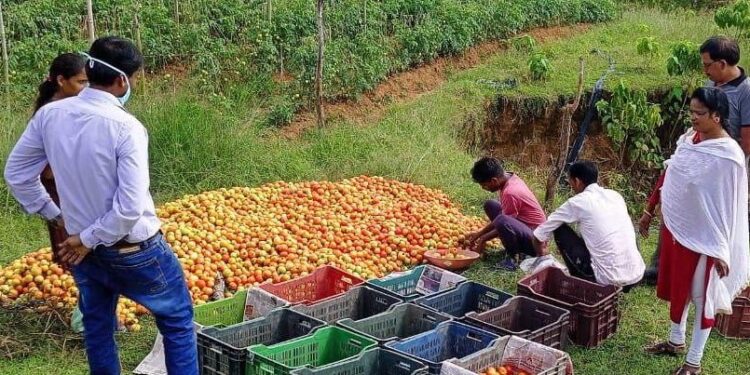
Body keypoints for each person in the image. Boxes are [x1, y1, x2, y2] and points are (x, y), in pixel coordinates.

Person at [4, 37, 198, 375]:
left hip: (84, 252)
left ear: (89, 68)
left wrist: (58, 218)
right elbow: (129, 209)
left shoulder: (51, 115)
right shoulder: (126, 127)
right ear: (123, 81)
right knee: (177, 321)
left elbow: (17, 174)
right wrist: (87, 237)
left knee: (97, 327)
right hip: (132, 250)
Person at [644, 87, 749, 375]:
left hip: (708, 238)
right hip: (679, 231)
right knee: (680, 287)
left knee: (703, 296)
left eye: (699, 113)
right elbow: (672, 174)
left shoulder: (728, 156)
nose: (693, 118)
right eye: (691, 111)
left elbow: (729, 206)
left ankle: (693, 362)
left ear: (717, 116)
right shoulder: (689, 141)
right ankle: (675, 341)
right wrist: (649, 209)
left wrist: (721, 249)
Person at [639, 36, 750, 284]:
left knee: (713, 220)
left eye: (708, 64)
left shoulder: (745, 91)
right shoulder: (711, 85)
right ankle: (661, 267)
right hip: (698, 161)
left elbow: (746, 140)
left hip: (721, 166)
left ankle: (713, 272)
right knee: (675, 204)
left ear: (722, 63)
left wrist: (723, 167)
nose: (705, 70)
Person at [531, 160, 645, 291]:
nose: (571, 186)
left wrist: (542, 257)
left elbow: (538, 235)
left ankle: (582, 282)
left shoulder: (577, 202)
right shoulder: (615, 195)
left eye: (570, 182)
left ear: (577, 181)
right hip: (636, 275)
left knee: (559, 228)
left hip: (607, 280)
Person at [33, 53, 88, 267]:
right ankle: (79, 281)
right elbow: (47, 166)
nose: (86, 87)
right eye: (81, 82)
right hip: (58, 183)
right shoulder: (52, 113)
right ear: (61, 81)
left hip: (66, 181)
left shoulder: (69, 106)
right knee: (70, 240)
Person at [464, 157, 547, 270]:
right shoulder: (509, 177)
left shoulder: (510, 192)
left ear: (494, 180)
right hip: (526, 228)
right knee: (490, 204)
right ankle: (514, 249)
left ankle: (514, 258)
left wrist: (483, 238)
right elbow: (502, 218)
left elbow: (503, 222)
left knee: (502, 220)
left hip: (536, 242)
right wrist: (479, 234)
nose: (483, 188)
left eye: (484, 185)